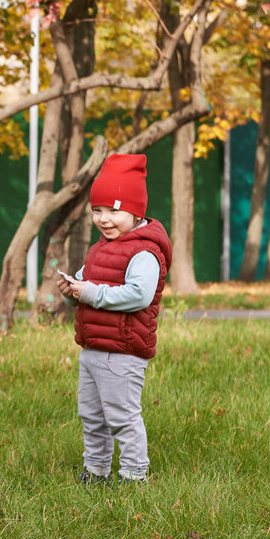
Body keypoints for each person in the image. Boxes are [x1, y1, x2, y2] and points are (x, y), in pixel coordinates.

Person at [56, 153, 173, 485]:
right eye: (97, 210)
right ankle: (96, 470)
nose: (104, 219)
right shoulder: (101, 248)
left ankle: (134, 474)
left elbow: (139, 295)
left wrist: (89, 292)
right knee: (91, 415)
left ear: (136, 212)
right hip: (93, 347)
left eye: (114, 211)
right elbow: (86, 282)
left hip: (123, 350)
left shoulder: (144, 252)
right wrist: (71, 289)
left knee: (122, 416)